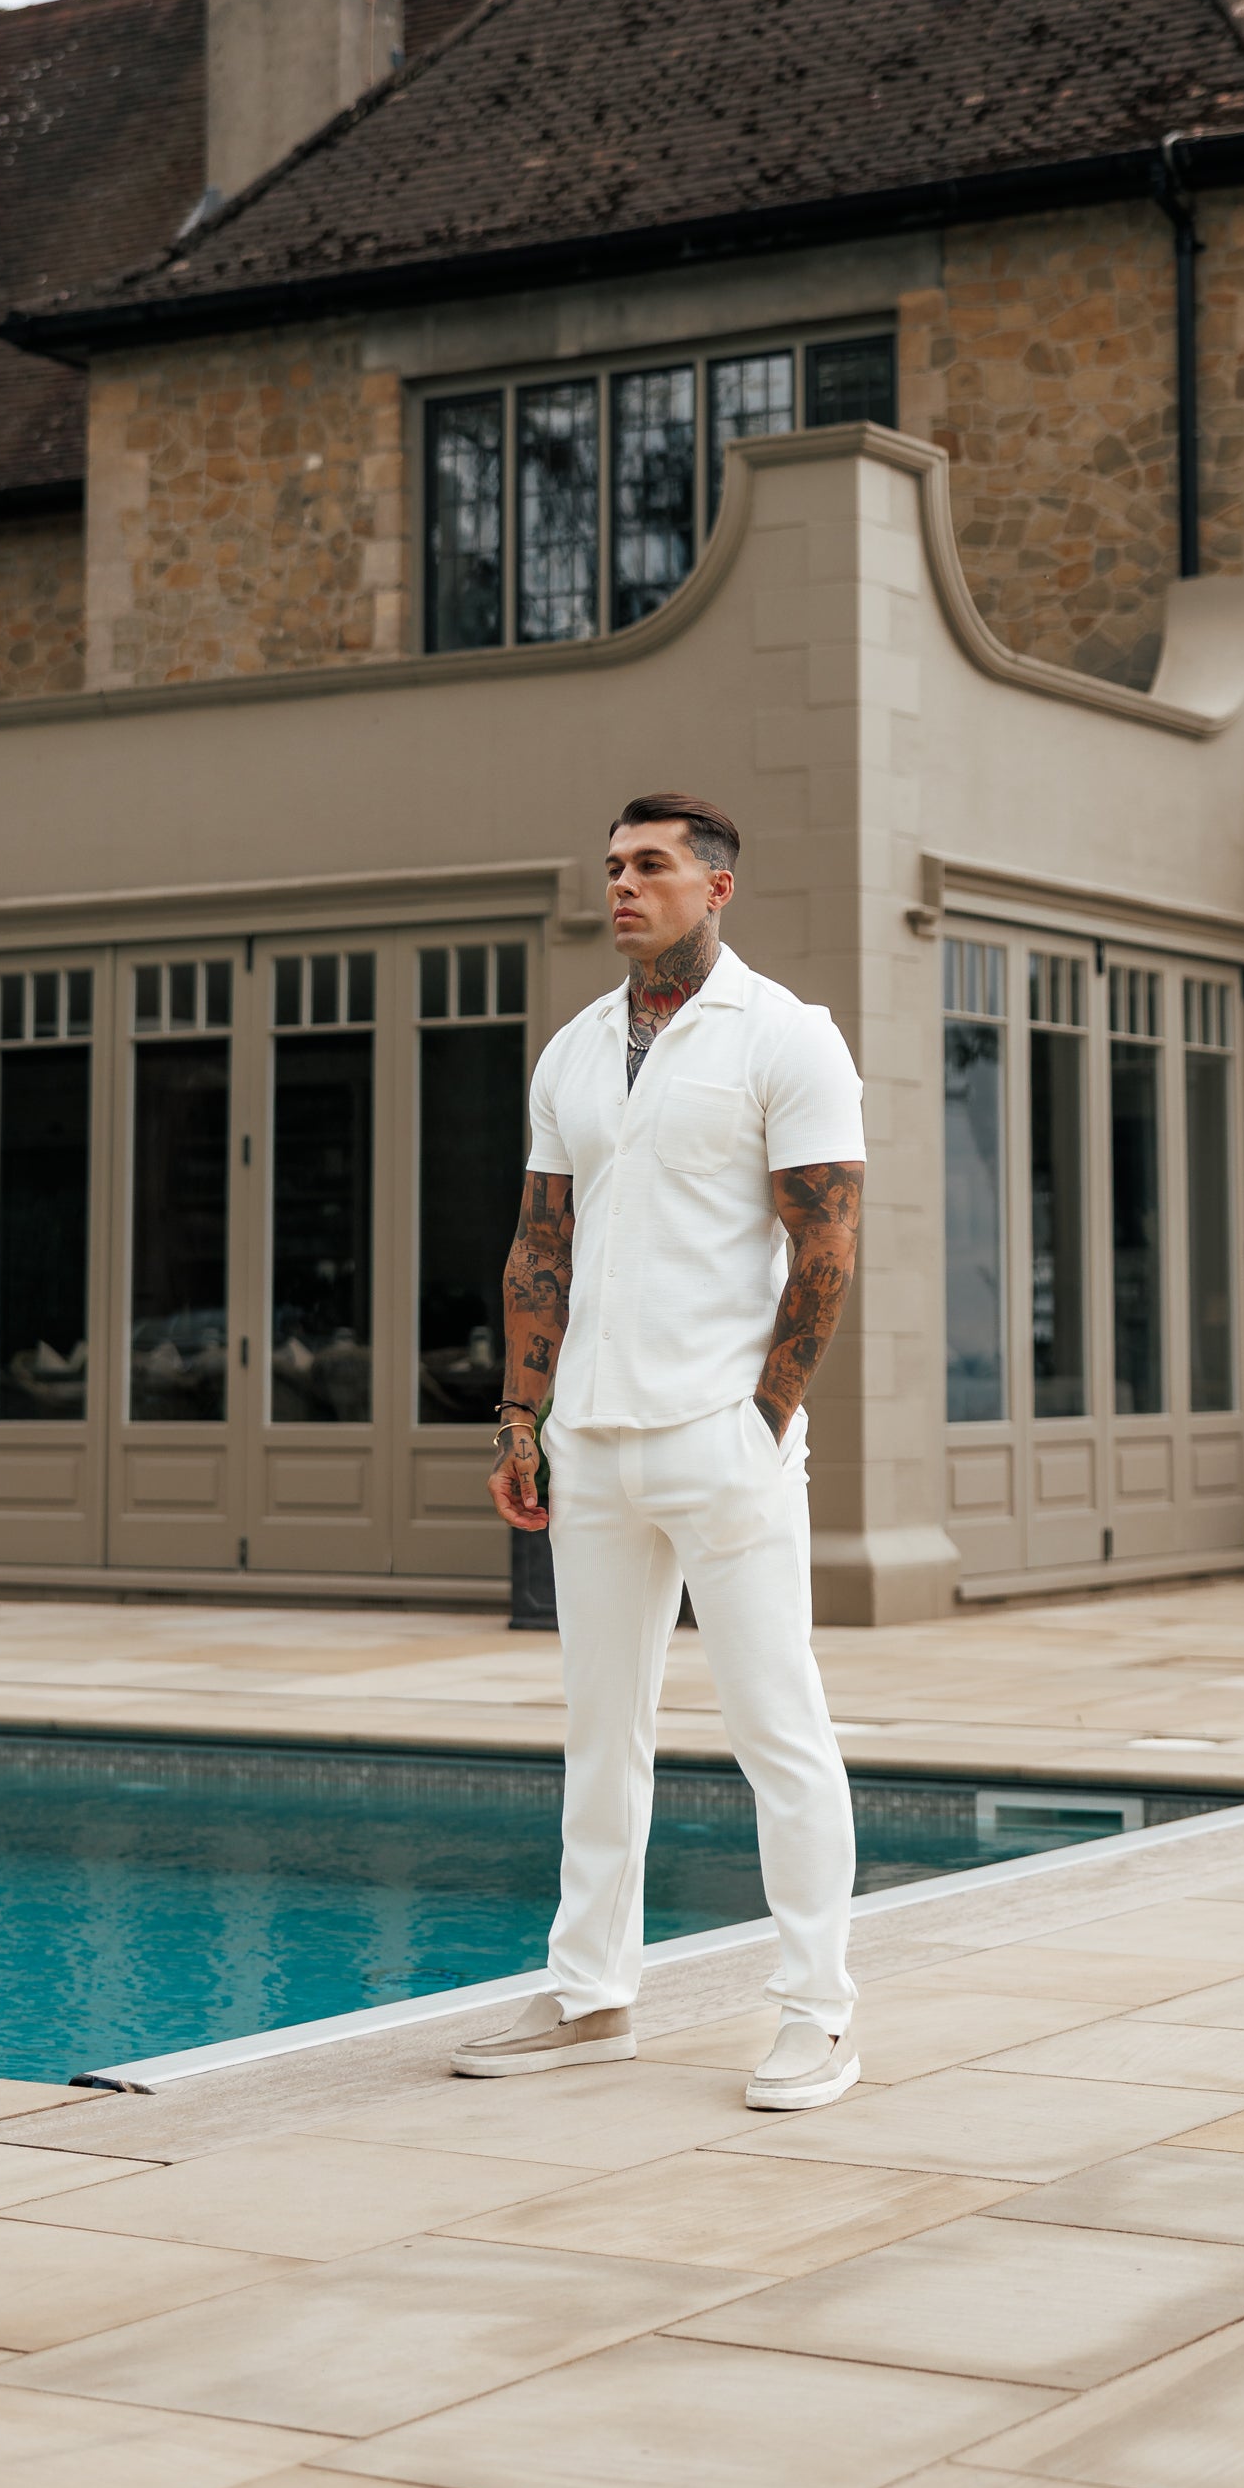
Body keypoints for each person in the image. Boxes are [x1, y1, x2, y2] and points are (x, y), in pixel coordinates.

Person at [455, 793, 867, 2111]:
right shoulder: (575, 1052)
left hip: (723, 1440)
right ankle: (591, 1997)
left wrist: (767, 1419)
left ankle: (819, 2015)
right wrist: (521, 1418)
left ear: (716, 888)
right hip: (592, 1445)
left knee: (776, 1727)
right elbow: (540, 1246)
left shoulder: (788, 1039)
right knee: (600, 1737)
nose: (623, 887)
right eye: (615, 867)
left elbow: (828, 1248)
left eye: (651, 868)